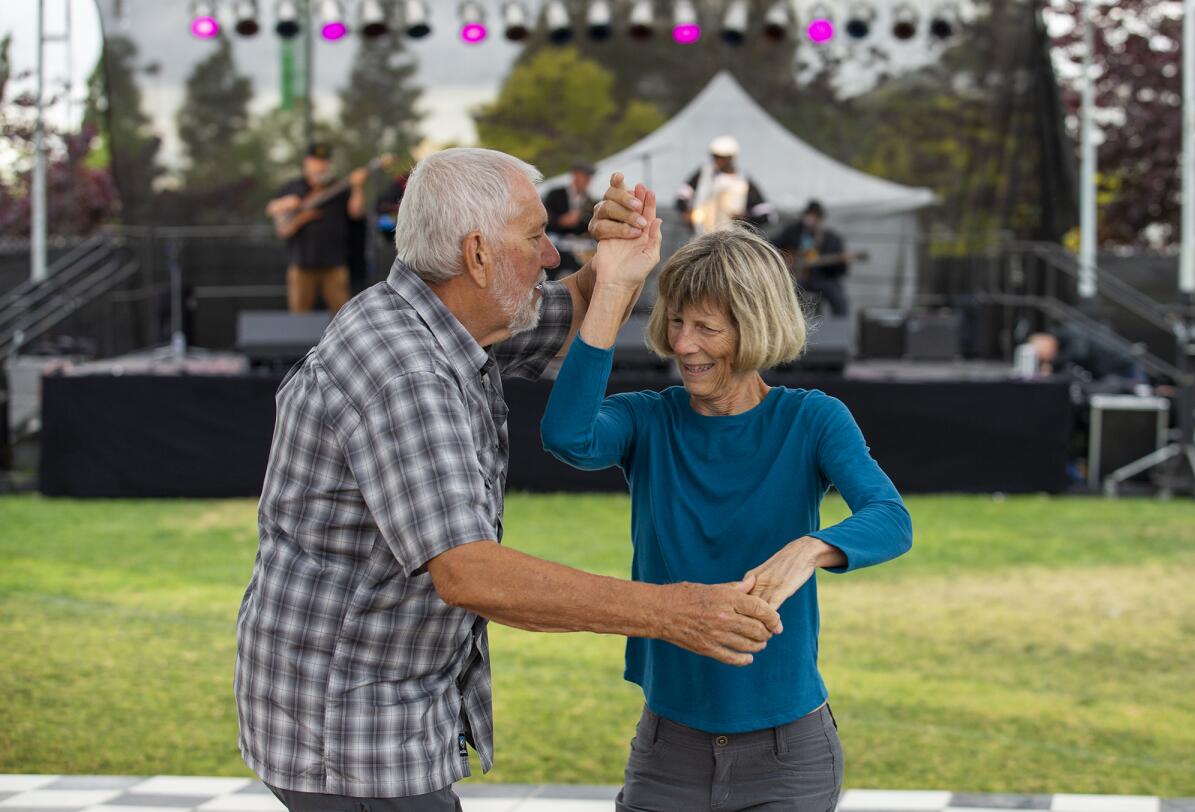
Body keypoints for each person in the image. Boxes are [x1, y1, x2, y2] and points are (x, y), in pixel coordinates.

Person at [234, 148, 783, 812]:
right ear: (478, 254)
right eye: (535, 235)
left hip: (363, 704)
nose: (552, 255)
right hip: (346, 728)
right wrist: (676, 613)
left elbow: (579, 301)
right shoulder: (404, 369)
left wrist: (620, 256)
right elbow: (471, 573)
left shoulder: (453, 316)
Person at [542, 222, 913, 812]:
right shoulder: (648, 420)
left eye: (707, 328)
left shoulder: (812, 420)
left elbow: (891, 519)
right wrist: (611, 294)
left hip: (787, 755)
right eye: (678, 322)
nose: (684, 344)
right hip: (667, 747)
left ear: (756, 328)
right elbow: (567, 435)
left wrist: (809, 548)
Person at [265, 142, 367, 315]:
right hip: (301, 263)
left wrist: (358, 186)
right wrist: (285, 203)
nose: (321, 165)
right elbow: (271, 209)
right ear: (307, 161)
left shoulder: (338, 187)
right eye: (317, 161)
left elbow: (356, 213)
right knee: (299, 314)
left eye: (324, 161)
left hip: (334, 262)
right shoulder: (293, 187)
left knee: (343, 314)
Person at [676, 135, 775, 235]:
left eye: (722, 157)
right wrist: (686, 212)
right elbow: (682, 194)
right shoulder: (703, 174)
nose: (717, 160)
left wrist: (745, 218)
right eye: (715, 156)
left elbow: (765, 213)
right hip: (702, 235)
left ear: (731, 158)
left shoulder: (743, 181)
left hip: (731, 239)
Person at [773, 200, 854, 317]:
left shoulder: (832, 239)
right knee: (784, 291)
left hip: (822, 278)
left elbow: (840, 271)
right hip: (796, 277)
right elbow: (772, 245)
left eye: (815, 217)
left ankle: (840, 327)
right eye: (809, 215)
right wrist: (786, 258)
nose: (811, 219)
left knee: (838, 297)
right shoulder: (792, 232)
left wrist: (842, 262)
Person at [542, 161, 597, 277]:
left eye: (588, 177)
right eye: (584, 176)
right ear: (575, 175)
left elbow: (588, 226)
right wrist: (560, 221)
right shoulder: (555, 194)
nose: (587, 180)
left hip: (577, 245)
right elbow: (544, 217)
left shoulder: (591, 201)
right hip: (554, 239)